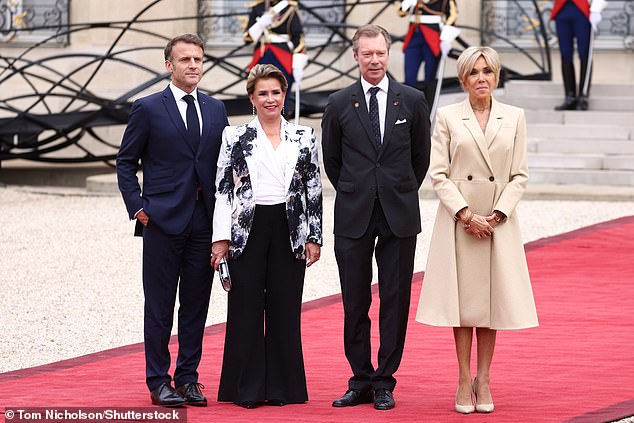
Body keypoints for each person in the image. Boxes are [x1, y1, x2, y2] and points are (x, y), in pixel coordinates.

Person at [416, 46, 539, 414]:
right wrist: (466, 214)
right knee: (464, 303)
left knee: (490, 303)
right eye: (474, 72)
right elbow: (437, 173)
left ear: (496, 76)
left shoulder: (514, 116)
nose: (481, 78)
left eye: (488, 71)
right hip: (460, 220)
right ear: (464, 78)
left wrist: (497, 214)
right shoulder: (448, 116)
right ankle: (462, 376)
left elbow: (520, 174)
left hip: (498, 221)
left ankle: (484, 379)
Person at [321, 24, 431, 411]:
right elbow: (332, 162)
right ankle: (360, 378)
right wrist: (359, 189)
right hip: (353, 214)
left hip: (399, 214)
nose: (374, 60)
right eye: (366, 53)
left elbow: (421, 159)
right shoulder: (337, 103)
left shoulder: (413, 100)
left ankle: (385, 380)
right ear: (356, 57)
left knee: (395, 299)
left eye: (380, 53)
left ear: (389, 54)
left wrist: (394, 189)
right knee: (354, 300)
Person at [116, 34, 228, 407]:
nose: (194, 65)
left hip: (204, 222)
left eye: (198, 59)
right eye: (185, 60)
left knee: (196, 305)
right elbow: (126, 163)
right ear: (169, 65)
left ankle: (188, 378)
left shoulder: (216, 110)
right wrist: (138, 208)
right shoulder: (147, 108)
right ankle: (158, 381)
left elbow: (223, 168)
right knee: (160, 306)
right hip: (161, 221)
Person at [210, 64, 322, 409]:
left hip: (290, 229)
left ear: (284, 95)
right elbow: (223, 190)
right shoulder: (235, 137)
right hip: (247, 229)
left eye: (276, 92)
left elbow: (313, 190)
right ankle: (244, 389)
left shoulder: (305, 136)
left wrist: (314, 236)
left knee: (284, 309)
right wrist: (220, 238)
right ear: (251, 98)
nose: (270, 99)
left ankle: (283, 388)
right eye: (263, 94)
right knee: (244, 309)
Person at [244, 0, 305, 114]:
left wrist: (298, 66)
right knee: (259, 96)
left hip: (282, 58)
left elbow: (298, 40)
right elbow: (248, 38)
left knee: (281, 98)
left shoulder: (289, 8)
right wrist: (261, 24)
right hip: (261, 57)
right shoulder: (258, 8)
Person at [398, 0, 458, 102]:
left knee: (429, 78)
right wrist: (406, 4)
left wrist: (446, 38)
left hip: (432, 38)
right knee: (409, 78)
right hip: (414, 36)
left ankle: (428, 108)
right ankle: (409, 108)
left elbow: (452, 16)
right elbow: (401, 13)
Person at [551, 0, 604, 110]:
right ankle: (569, 96)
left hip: (582, 10)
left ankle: (583, 96)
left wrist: (596, 9)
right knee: (565, 54)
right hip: (562, 10)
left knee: (584, 53)